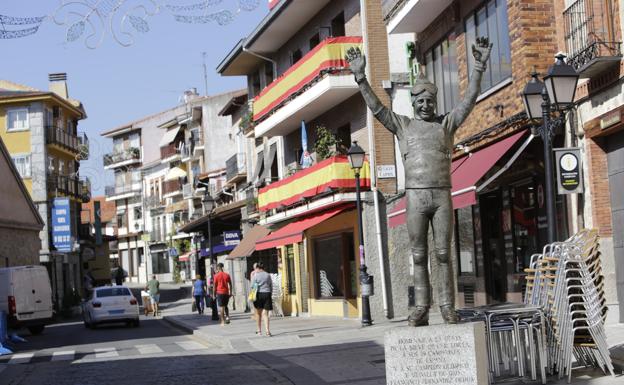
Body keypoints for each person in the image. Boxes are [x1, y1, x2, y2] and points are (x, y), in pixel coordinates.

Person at [346, 37, 493, 326]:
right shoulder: (402, 125)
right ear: (413, 104)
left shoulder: (445, 124)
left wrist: (478, 67)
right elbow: (377, 109)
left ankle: (447, 306)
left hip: (441, 196)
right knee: (418, 255)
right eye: (421, 101)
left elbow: (470, 100)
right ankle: (421, 307)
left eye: (430, 101)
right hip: (415, 197)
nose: (426, 105)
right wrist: (361, 77)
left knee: (442, 253)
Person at [252, 262, 272, 336]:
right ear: (264, 267)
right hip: (267, 294)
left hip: (258, 294)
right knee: (265, 314)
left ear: (257, 267)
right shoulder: (268, 275)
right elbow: (271, 285)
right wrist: (270, 294)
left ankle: (259, 331)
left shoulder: (255, 275)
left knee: (258, 314)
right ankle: (267, 331)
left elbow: (252, 286)